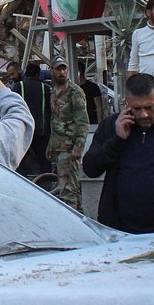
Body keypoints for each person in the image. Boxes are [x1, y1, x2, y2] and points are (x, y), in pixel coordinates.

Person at [83, 72, 154, 233]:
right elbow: (90, 169)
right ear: (127, 104)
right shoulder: (111, 127)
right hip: (120, 232)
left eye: (149, 107)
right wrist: (116, 140)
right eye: (137, 109)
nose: (144, 114)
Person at [47, 58, 90, 211]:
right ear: (52, 70)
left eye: (64, 69)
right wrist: (50, 145)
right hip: (59, 147)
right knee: (71, 189)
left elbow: (83, 122)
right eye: (58, 69)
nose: (62, 72)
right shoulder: (53, 92)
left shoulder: (75, 92)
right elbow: (55, 120)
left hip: (70, 149)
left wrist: (79, 147)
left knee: (67, 192)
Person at [11, 62, 52, 175]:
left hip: (23, 132)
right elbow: (51, 111)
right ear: (38, 75)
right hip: (42, 132)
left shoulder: (18, 87)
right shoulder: (46, 89)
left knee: (21, 163)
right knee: (44, 162)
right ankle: (46, 185)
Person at [77, 60, 105, 125]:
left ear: (79, 72)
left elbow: (99, 107)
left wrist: (100, 124)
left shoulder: (93, 87)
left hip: (92, 122)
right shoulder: (71, 88)